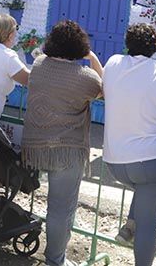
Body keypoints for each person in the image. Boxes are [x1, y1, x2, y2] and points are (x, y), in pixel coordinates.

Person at [21, 20, 104, 266]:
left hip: (34, 146)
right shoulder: (85, 77)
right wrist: (94, 59)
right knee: (60, 210)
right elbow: (105, 90)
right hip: (67, 151)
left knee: (56, 207)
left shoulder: (38, 66)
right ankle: (55, 259)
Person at [102, 23, 156, 266]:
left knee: (143, 189)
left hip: (115, 161)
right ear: (155, 45)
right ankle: (134, 229)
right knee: (150, 225)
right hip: (152, 160)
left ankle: (129, 225)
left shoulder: (114, 63)